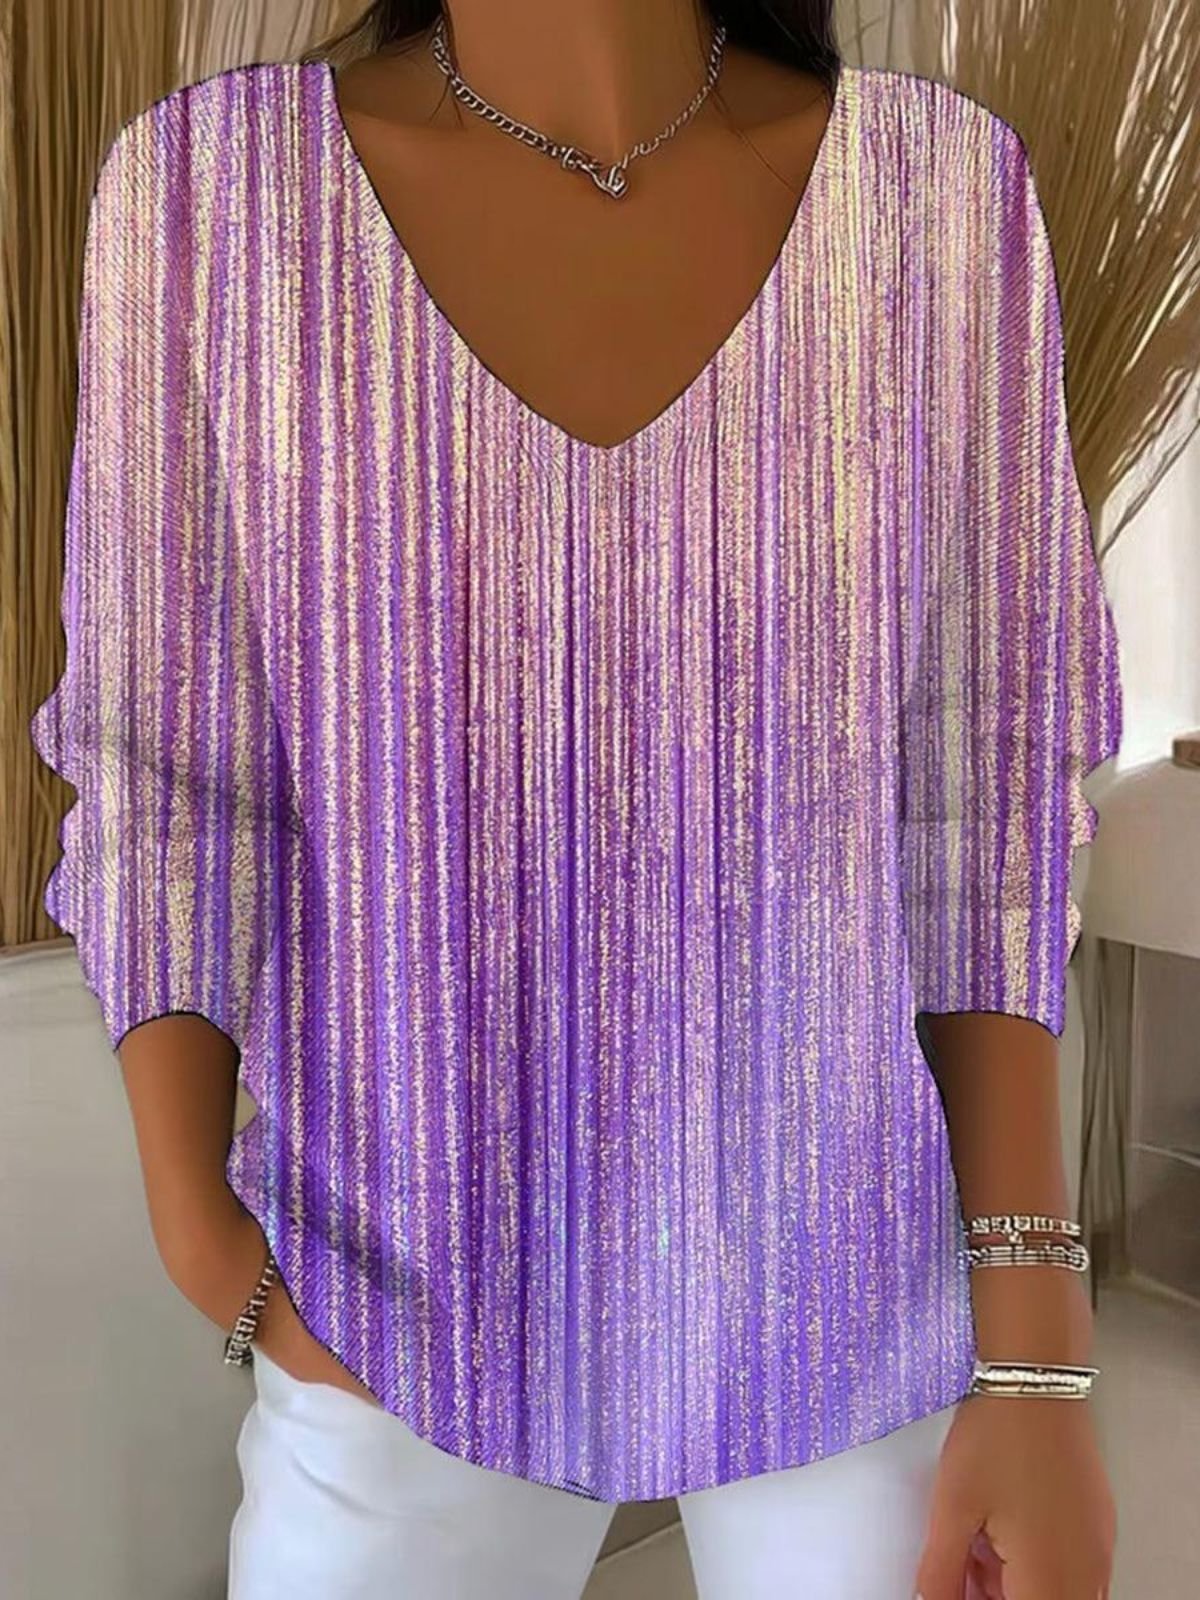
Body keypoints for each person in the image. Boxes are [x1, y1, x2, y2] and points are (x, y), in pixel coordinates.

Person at [29, 2, 1122, 1596]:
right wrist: (210, 1242)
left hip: (857, 1302)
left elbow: (981, 795)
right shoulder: (213, 199)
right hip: (393, 1304)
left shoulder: (939, 197)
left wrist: (1034, 1358)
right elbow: (169, 770)